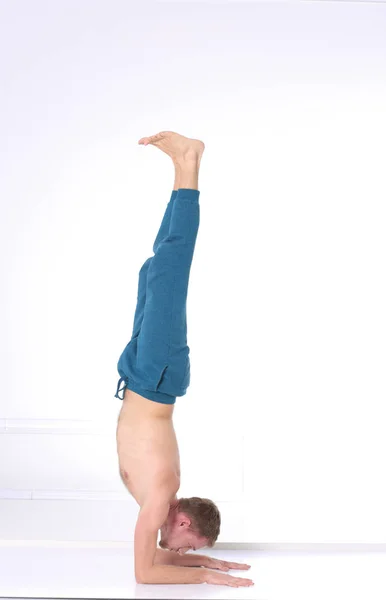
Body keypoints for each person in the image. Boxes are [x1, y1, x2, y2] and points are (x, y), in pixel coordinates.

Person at [115, 131, 254, 587]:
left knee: (156, 266)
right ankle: (190, 162)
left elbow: (153, 561)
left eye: (190, 554)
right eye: (191, 547)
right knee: (173, 264)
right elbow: (144, 573)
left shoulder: (162, 503)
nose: (181, 551)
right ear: (184, 523)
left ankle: (180, 167)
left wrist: (209, 564)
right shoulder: (158, 499)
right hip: (156, 374)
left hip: (143, 374)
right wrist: (206, 578)